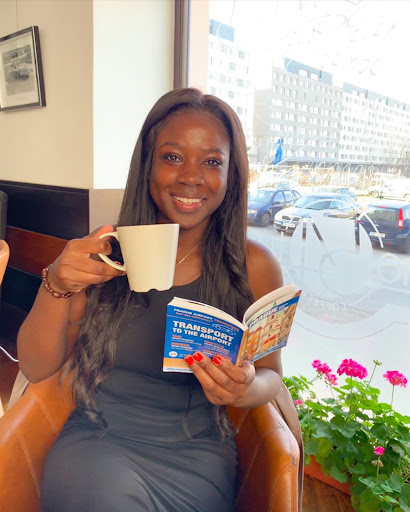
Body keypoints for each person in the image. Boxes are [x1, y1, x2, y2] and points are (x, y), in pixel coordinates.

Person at [17, 88, 284, 512]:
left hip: (199, 457)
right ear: (148, 166)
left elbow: (272, 377)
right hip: (98, 443)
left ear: (231, 174)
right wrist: (58, 285)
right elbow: (35, 368)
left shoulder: (254, 265)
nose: (191, 177)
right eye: (172, 157)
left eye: (211, 162)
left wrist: (244, 388)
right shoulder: (105, 251)